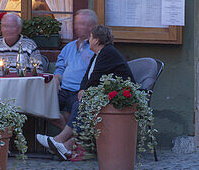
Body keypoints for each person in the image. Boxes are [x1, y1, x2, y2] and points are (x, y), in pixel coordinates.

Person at [37, 23, 134, 160]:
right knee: (81, 104)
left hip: (119, 96)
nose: (89, 40)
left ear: (96, 40)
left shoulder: (107, 52)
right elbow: (87, 76)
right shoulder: (98, 54)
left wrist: (86, 91)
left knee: (82, 105)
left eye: (90, 37)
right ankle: (66, 146)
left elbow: (96, 76)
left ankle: (59, 141)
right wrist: (83, 88)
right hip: (105, 95)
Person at [51, 9, 98, 123]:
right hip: (63, 89)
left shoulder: (95, 48)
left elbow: (96, 72)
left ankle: (65, 139)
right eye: (76, 23)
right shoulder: (69, 47)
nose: (77, 27)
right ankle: (67, 138)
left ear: (92, 27)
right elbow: (60, 67)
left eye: (81, 24)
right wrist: (56, 78)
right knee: (42, 107)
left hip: (79, 92)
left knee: (74, 115)